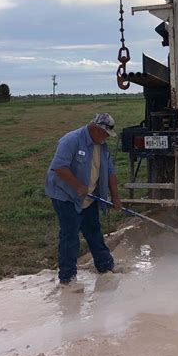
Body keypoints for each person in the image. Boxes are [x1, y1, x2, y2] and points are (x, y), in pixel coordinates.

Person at [45, 112, 122, 291]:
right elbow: (59, 167)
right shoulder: (71, 140)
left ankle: (105, 266)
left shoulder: (102, 146)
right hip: (66, 196)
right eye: (104, 134)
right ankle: (67, 278)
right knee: (70, 235)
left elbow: (110, 173)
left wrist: (116, 197)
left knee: (94, 230)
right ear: (95, 128)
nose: (105, 138)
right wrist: (78, 186)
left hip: (89, 196)